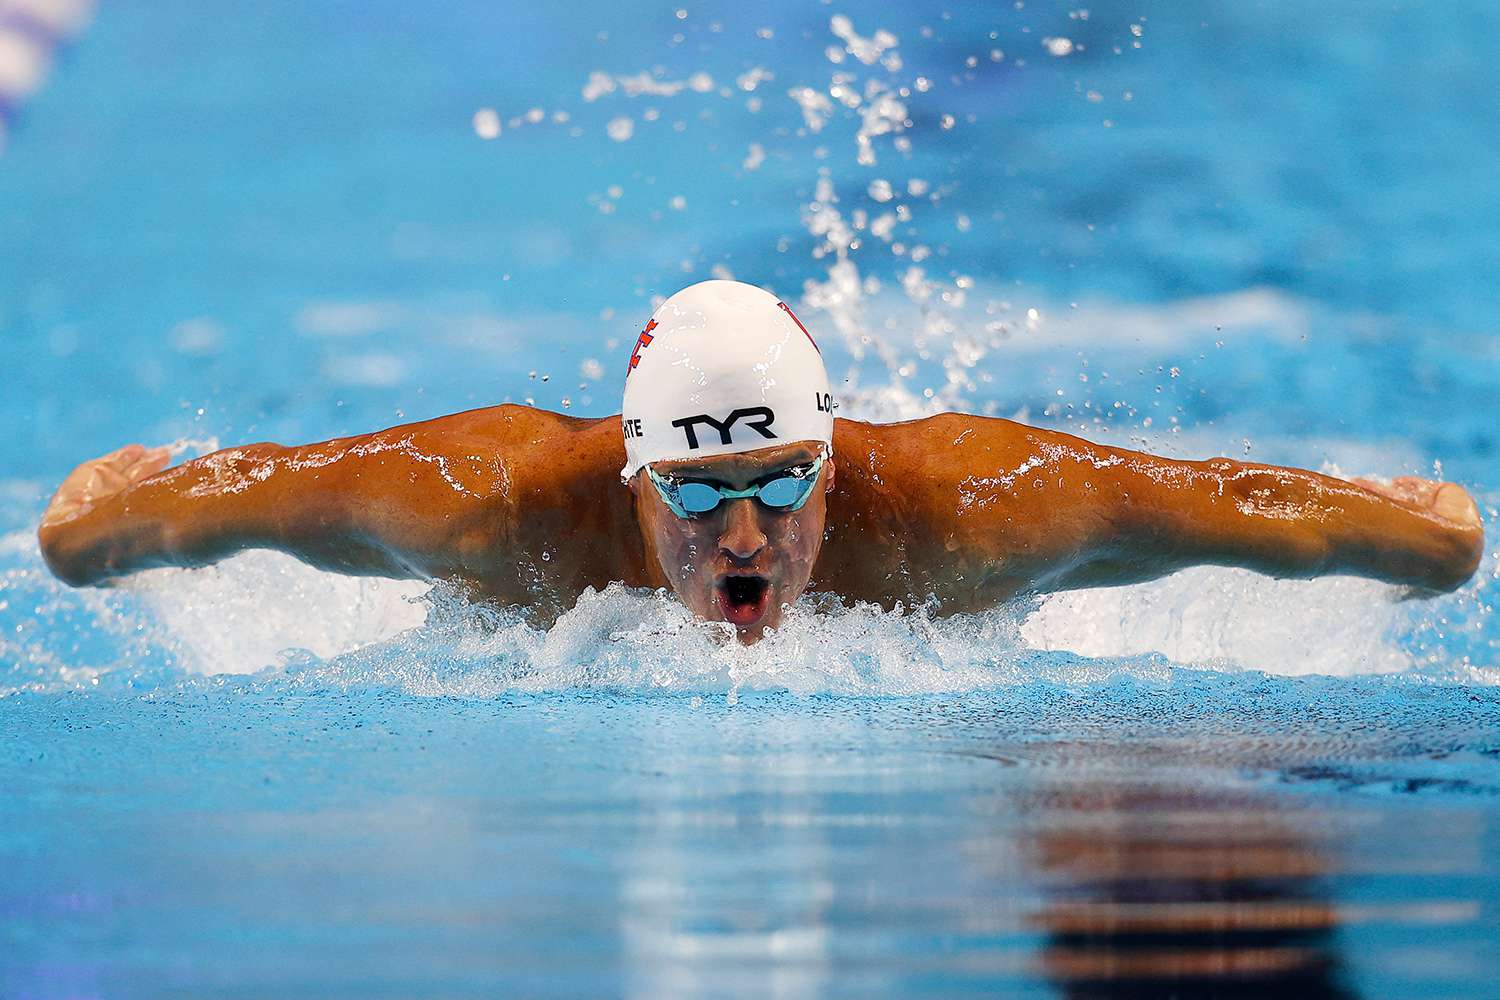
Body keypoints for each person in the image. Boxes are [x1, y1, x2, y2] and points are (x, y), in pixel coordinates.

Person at [37, 280, 1484, 642]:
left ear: (837, 465)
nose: (748, 535)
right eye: (704, 494)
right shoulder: (486, 503)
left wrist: (1424, 536)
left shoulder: (969, 510)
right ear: (632, 478)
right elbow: (258, 492)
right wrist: (95, 524)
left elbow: (1212, 502)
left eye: (785, 480)